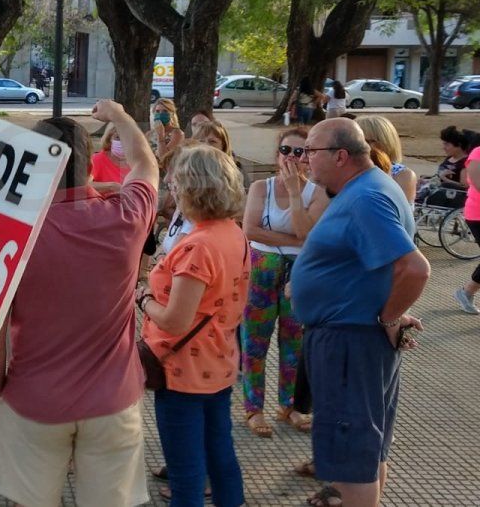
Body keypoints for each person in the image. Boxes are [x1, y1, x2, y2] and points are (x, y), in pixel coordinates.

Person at [0, 100, 157, 507]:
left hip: (33, 400)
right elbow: (146, 165)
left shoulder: (11, 234)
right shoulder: (127, 216)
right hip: (113, 404)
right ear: (91, 166)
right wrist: (120, 117)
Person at [290, 118, 429, 507]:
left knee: (351, 463)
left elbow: (414, 268)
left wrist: (389, 317)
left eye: (310, 152)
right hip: (352, 337)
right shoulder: (369, 188)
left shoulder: (366, 197)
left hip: (349, 342)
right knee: (367, 453)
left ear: (340, 155)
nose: (303, 160)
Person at [136, 144, 249, 507]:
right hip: (219, 364)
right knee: (221, 459)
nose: (172, 192)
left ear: (192, 188)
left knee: (186, 474)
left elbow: (174, 320)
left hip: (182, 373)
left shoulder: (197, 246)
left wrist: (143, 300)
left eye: (175, 184)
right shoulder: (234, 233)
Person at [239, 128, 329, 437]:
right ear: (277, 154)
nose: (291, 157)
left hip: (299, 275)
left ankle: (288, 404)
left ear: (309, 157)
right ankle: (253, 408)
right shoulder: (260, 188)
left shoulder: (316, 193)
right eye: (285, 150)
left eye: (299, 151)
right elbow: (250, 230)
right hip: (260, 272)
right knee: (254, 343)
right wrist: (293, 239)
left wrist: (293, 192)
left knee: (294, 344)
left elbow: (308, 235)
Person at [357, 116, 417, 203]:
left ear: (385, 142)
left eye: (367, 141)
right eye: (357, 142)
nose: (360, 147)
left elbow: (398, 211)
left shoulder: (402, 175)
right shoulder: (346, 171)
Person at [453, 136, 480, 315]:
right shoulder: (477, 153)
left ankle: (466, 292)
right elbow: (478, 184)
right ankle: (466, 292)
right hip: (477, 214)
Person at [90, 125, 130, 190]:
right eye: (118, 138)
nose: (123, 142)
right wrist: (110, 186)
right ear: (109, 139)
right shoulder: (97, 159)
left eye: (127, 138)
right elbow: (82, 185)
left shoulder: (138, 162)